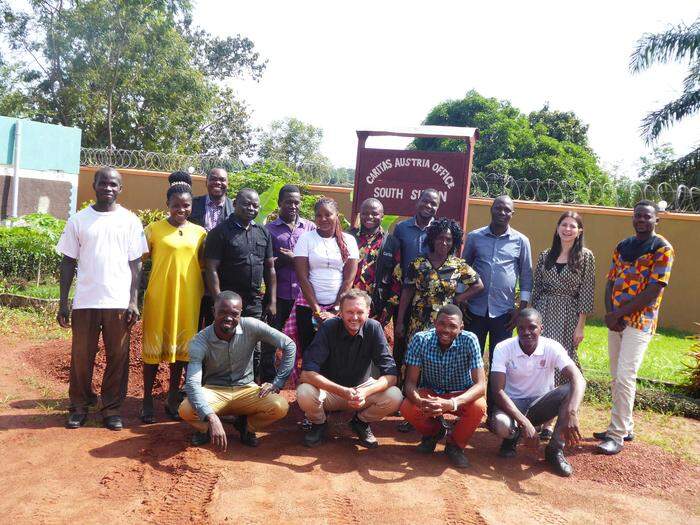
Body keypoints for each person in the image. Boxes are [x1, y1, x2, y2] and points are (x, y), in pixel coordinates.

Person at [57, 167, 148, 431]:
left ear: (120, 189)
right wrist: (64, 302)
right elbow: (67, 262)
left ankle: (112, 409)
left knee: (118, 357)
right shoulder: (78, 220)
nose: (108, 188)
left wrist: (133, 301)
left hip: (118, 302)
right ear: (94, 186)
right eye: (103, 183)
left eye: (113, 184)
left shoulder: (130, 221)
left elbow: (136, 265)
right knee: (81, 357)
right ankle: (78, 407)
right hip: (85, 301)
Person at [595, 200, 674, 455]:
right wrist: (610, 314)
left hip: (640, 321)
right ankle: (626, 426)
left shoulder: (662, 248)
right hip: (616, 319)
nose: (641, 219)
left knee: (626, 375)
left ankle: (616, 435)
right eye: (637, 215)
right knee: (616, 375)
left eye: (647, 216)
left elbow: (654, 289)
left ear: (656, 220)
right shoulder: (623, 246)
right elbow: (610, 282)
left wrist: (619, 313)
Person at [178, 291, 295, 450]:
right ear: (213, 311)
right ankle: (206, 429)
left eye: (234, 314)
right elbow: (192, 383)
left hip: (246, 389)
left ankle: (247, 427)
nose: (228, 318)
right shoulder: (200, 340)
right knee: (186, 409)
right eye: (222, 312)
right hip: (214, 390)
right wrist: (211, 417)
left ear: (241, 314)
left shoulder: (251, 326)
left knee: (279, 406)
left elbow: (289, 345)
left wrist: (277, 382)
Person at [140, 172, 207, 423]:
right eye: (176, 204)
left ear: (191, 206)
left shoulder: (200, 233)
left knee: (181, 353)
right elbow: (136, 262)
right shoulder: (153, 229)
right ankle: (147, 399)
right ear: (167, 205)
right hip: (159, 297)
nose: (181, 209)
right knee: (153, 350)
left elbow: (204, 265)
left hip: (189, 299)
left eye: (186, 205)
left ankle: (171, 398)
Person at [296, 290, 403, 448]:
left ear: (368, 312)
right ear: (340, 312)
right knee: (304, 392)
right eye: (349, 312)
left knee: (395, 396)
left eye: (360, 312)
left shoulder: (374, 328)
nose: (354, 317)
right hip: (330, 392)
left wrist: (366, 392)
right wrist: (343, 391)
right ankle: (319, 423)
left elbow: (391, 375)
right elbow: (306, 374)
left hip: (361, 393)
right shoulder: (329, 327)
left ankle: (360, 422)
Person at [490, 308, 586, 477]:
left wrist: (572, 411)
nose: (526, 332)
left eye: (532, 327)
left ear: (541, 328)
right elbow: (497, 391)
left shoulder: (552, 347)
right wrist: (525, 422)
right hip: (512, 405)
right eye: (521, 328)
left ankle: (555, 450)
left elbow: (578, 378)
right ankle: (511, 439)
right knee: (501, 425)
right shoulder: (503, 348)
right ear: (516, 329)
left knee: (571, 389)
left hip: (540, 405)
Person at [531, 211, 595, 439]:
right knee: (542, 363)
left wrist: (581, 325)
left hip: (568, 316)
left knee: (564, 365)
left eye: (572, 226)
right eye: (564, 225)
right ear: (557, 228)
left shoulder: (586, 257)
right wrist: (532, 320)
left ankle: (552, 421)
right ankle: (538, 415)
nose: (567, 229)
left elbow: (586, 292)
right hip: (543, 313)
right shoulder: (545, 255)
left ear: (579, 231)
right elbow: (537, 287)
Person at [400, 304, 486, 469]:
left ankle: (455, 446)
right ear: (434, 322)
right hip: (431, 393)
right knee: (407, 407)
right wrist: (420, 402)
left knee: (478, 406)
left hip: (460, 393)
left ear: (461, 327)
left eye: (453, 326)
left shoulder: (470, 340)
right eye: (442, 324)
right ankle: (433, 433)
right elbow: (410, 383)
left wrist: (452, 403)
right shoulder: (421, 339)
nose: (446, 330)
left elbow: (481, 385)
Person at [284, 198, 359, 384]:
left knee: (336, 351)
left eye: (328, 214)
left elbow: (349, 279)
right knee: (310, 351)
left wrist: (335, 310)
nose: (323, 219)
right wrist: (317, 310)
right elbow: (303, 278)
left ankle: (333, 394)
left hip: (340, 308)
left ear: (336, 215)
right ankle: (309, 393)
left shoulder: (349, 240)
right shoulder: (306, 239)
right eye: (319, 215)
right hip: (308, 306)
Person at [204, 188, 276, 380]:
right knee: (224, 344)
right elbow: (211, 269)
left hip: (253, 302)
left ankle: (249, 390)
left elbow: (270, 268)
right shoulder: (219, 233)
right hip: (228, 305)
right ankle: (219, 387)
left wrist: (272, 300)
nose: (251, 208)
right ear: (235, 203)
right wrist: (219, 301)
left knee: (254, 346)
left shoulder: (263, 233)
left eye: (255, 205)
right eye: (246, 204)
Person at [395, 218, 483, 345]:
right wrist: (399, 322)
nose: (444, 242)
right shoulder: (417, 264)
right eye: (440, 238)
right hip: (419, 322)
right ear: (432, 239)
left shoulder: (457, 265)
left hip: (446, 324)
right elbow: (407, 292)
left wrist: (459, 299)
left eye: (449, 239)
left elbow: (478, 285)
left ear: (454, 242)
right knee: (416, 359)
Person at [263, 184, 316, 383]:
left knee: (306, 339)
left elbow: (317, 259)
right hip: (279, 295)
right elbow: (264, 262)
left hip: (304, 297)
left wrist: (295, 259)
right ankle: (268, 379)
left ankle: (306, 381)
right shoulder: (269, 230)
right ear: (279, 204)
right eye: (288, 202)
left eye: (296, 202)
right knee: (271, 339)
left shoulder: (310, 228)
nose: (293, 206)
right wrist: (280, 261)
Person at [391, 189, 441, 375]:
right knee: (400, 339)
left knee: (427, 342)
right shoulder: (402, 228)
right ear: (417, 201)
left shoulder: (439, 232)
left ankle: (421, 383)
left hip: (430, 300)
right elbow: (395, 261)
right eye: (425, 201)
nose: (428, 206)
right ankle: (397, 383)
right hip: (404, 295)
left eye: (433, 203)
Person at [189, 167, 234, 328]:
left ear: (228, 183)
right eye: (214, 179)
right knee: (191, 321)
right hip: (194, 273)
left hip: (223, 275)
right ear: (206, 181)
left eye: (222, 180)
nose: (218, 182)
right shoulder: (192, 205)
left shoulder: (235, 209)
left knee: (216, 324)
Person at [348, 198, 401, 324]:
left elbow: (397, 279)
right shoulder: (349, 237)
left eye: (374, 213)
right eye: (365, 213)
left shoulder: (391, 243)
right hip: (348, 305)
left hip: (377, 308)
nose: (369, 216)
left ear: (382, 216)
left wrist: (387, 310)